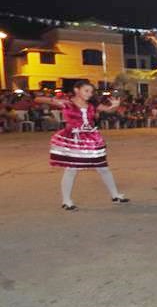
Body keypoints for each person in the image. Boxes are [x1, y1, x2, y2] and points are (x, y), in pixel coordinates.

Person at [34, 80, 129, 211]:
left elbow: (109, 110)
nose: (90, 94)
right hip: (73, 137)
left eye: (91, 91)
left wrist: (115, 105)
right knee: (71, 169)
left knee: (103, 167)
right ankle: (66, 201)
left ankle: (115, 195)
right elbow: (38, 99)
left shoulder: (92, 105)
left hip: (90, 139)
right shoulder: (67, 103)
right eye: (86, 91)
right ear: (76, 90)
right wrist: (53, 99)